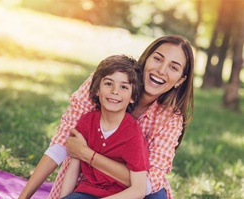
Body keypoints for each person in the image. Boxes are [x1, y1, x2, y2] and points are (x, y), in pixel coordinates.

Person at [18, 34, 194, 199]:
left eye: (173, 67)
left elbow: (146, 184)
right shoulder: (105, 83)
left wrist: (88, 154)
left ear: (180, 80)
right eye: (157, 58)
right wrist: (23, 197)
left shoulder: (170, 120)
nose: (161, 70)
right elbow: (63, 143)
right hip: (90, 183)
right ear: (146, 59)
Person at [59, 55, 149, 199]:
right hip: (86, 192)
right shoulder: (87, 122)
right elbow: (73, 169)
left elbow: (138, 190)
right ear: (97, 89)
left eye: (124, 87)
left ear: (133, 96)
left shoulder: (133, 136)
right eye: (108, 83)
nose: (115, 91)